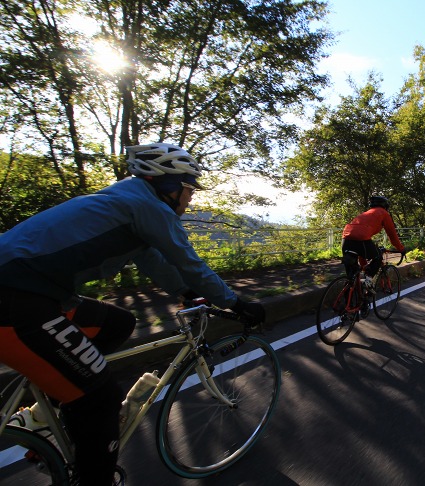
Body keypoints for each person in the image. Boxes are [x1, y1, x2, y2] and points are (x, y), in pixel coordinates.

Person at [0, 142, 265, 485]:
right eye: (189, 188)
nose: (191, 197)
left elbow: (153, 260)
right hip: (17, 301)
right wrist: (236, 303)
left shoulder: (127, 201)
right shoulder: (147, 206)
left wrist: (186, 294)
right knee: (101, 397)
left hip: (37, 294)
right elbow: (189, 262)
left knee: (117, 323)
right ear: (168, 185)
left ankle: (43, 414)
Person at [341, 196, 406, 291]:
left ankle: (350, 303)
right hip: (361, 239)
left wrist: (364, 266)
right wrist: (401, 249)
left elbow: (361, 251)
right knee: (378, 257)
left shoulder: (366, 214)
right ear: (385, 206)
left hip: (346, 239)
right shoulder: (384, 213)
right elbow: (392, 235)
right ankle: (368, 282)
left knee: (352, 276)